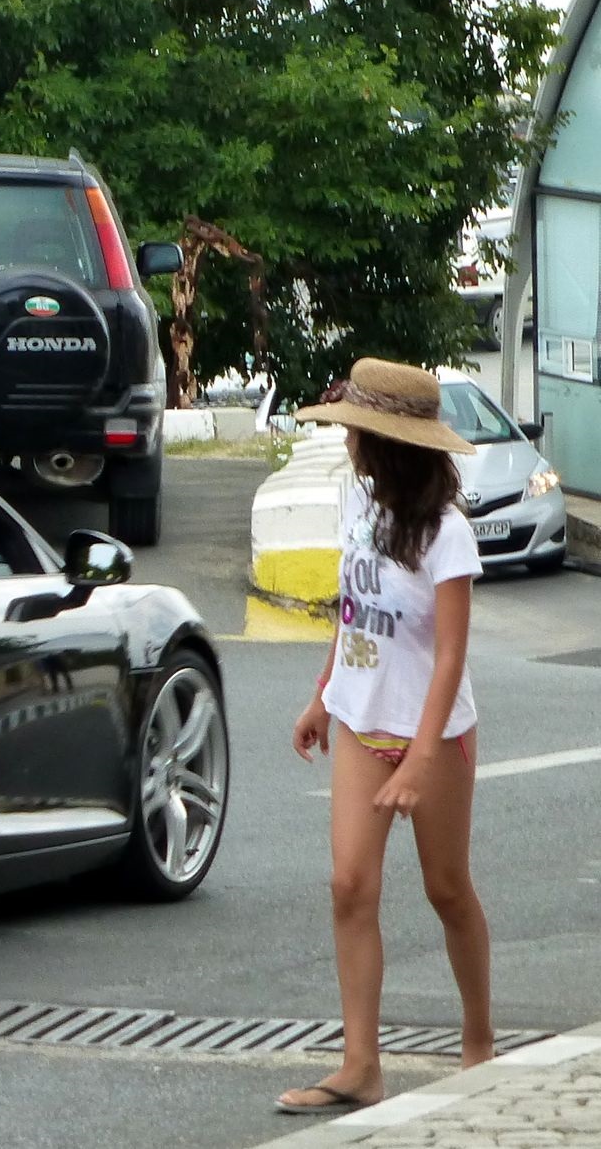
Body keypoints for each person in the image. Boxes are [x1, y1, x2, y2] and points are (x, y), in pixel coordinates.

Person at [274, 357, 492, 1115]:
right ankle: (360, 1064)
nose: (349, 444)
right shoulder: (360, 507)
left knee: (447, 890)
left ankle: (478, 1044)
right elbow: (351, 610)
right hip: (363, 723)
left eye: (357, 432)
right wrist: (321, 696)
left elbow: (452, 656)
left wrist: (421, 760)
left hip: (433, 737)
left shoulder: (446, 534)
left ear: (389, 442)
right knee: (349, 887)